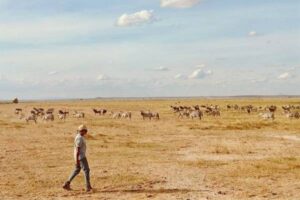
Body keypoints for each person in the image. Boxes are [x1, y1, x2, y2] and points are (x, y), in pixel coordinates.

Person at [63, 124, 92, 192]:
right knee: (86, 170)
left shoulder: (79, 137)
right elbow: (78, 150)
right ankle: (88, 186)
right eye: (85, 131)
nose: (85, 132)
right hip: (81, 157)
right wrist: (77, 160)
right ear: (82, 131)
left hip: (79, 157)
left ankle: (67, 183)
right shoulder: (79, 138)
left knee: (77, 170)